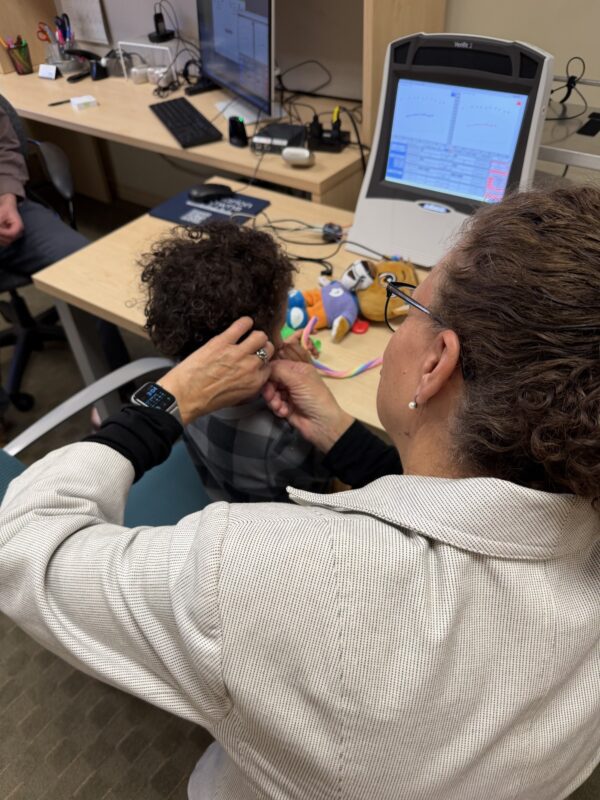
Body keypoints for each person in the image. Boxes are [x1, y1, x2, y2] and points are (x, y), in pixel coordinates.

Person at [0, 185, 599, 800]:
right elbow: (468, 515)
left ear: (435, 363)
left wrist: (165, 401)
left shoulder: (262, 573)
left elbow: (24, 547)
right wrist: (343, 437)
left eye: (406, 307)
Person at [140, 220, 334, 502]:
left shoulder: (184, 374)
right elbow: (327, 485)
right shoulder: (284, 439)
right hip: (281, 530)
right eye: (279, 328)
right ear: (260, 341)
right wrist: (312, 379)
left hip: (220, 494)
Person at [0, 102, 129, 424]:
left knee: (90, 270)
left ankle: (118, 393)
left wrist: (7, 199)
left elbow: (4, 149)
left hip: (9, 209)